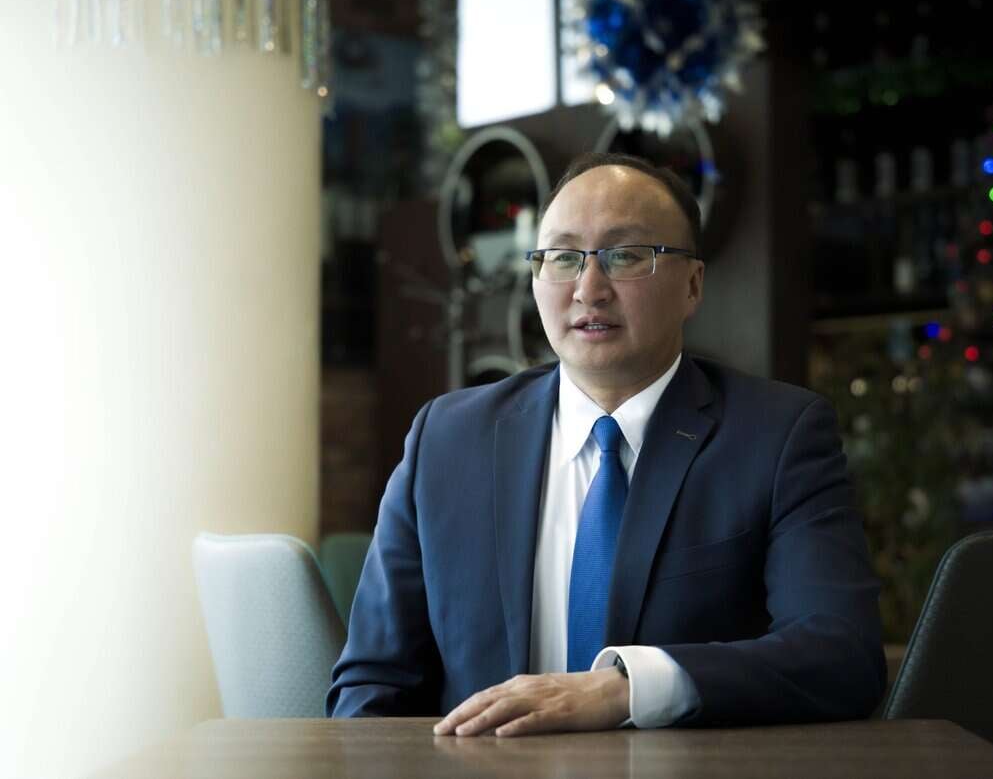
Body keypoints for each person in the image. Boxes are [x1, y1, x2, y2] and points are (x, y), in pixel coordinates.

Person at [327, 152, 886, 736]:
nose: (588, 289)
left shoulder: (777, 435)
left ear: (693, 284)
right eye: (564, 258)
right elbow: (370, 685)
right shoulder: (447, 440)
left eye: (625, 256)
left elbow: (840, 654)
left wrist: (627, 688)